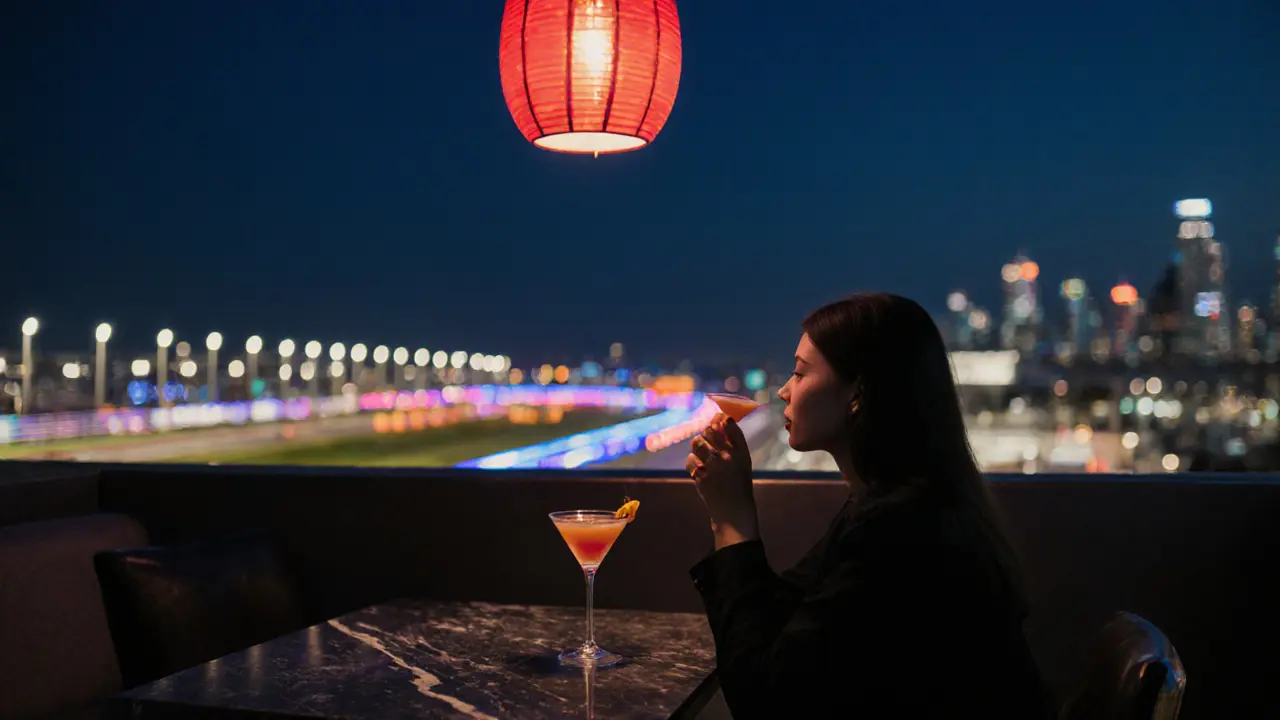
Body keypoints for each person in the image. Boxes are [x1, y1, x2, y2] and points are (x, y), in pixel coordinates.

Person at [685, 292, 1051, 719]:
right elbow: (787, 617)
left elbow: (766, 700)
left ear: (857, 392)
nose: (784, 391)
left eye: (800, 373)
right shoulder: (894, 506)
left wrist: (731, 519)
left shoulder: (900, 534)